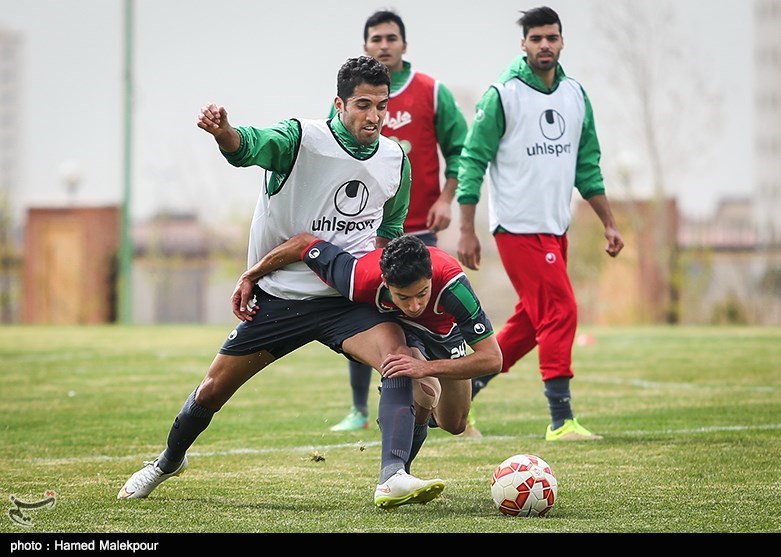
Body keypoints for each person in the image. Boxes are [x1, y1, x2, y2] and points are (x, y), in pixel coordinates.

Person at [117, 56, 446, 510]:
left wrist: (386, 285)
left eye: (382, 106)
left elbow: (389, 231)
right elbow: (249, 146)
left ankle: (393, 476)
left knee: (398, 361)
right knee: (212, 389)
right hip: (280, 297)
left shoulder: (395, 160)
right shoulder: (301, 138)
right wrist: (223, 133)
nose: (373, 117)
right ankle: (168, 461)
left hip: (344, 300)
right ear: (339, 103)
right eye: (363, 105)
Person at [455, 7, 624, 440]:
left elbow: (588, 167)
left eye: (552, 37)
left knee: (534, 321)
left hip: (556, 227)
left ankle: (464, 388)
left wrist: (608, 223)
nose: (545, 45)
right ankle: (561, 420)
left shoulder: (575, 95)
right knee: (562, 311)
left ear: (562, 41)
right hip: (517, 227)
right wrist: (466, 227)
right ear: (524, 44)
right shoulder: (503, 95)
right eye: (536, 38)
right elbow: (473, 160)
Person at [232, 233, 502, 471]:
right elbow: (303, 244)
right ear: (385, 282)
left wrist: (426, 368)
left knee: (454, 424)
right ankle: (397, 475)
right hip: (396, 330)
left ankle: (416, 415)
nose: (415, 305)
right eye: (403, 297)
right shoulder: (359, 277)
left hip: (443, 334)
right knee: (422, 391)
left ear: (431, 276)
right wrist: (250, 275)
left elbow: (492, 359)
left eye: (422, 293)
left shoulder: (454, 286)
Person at [327, 9, 469, 433]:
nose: (384, 44)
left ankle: (453, 401)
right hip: (365, 228)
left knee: (432, 311)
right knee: (367, 312)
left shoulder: (431, 91)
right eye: (376, 38)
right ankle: (358, 409)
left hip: (420, 224)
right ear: (365, 45)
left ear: (404, 44)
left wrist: (447, 199)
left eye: (391, 37)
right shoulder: (349, 97)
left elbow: (460, 149)